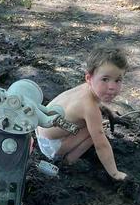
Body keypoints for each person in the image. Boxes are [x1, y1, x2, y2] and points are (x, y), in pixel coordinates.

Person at [37, 49, 128, 181]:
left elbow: (86, 107)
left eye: (118, 80)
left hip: (41, 129)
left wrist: (107, 111)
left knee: (92, 125)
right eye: (105, 79)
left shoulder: (86, 89)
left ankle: (65, 150)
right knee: (96, 133)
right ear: (89, 78)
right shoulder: (90, 107)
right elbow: (101, 144)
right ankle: (66, 161)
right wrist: (115, 173)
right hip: (50, 146)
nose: (112, 87)